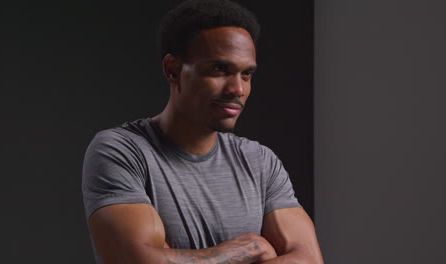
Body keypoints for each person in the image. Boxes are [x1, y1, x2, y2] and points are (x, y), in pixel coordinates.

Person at [82, 0, 323, 263]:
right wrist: (247, 249)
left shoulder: (260, 162)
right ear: (173, 70)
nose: (237, 89)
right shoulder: (122, 151)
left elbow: (309, 259)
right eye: (219, 69)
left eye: (247, 74)